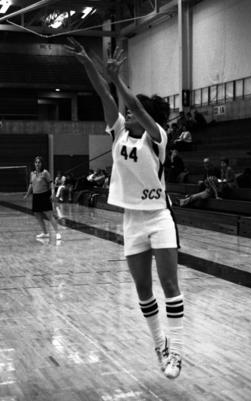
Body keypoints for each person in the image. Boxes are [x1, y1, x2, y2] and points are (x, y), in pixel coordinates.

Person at [65, 37, 184, 379]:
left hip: (160, 218)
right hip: (132, 220)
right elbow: (104, 95)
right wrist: (88, 61)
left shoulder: (157, 137)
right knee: (144, 291)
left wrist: (118, 78)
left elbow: (137, 106)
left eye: (132, 112)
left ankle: (176, 351)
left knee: (170, 286)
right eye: (127, 112)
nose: (127, 114)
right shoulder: (118, 133)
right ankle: (159, 345)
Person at [24, 156, 61, 240]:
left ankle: (58, 233)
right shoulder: (32, 173)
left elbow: (51, 183)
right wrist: (27, 194)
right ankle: (45, 233)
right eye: (36, 162)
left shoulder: (45, 172)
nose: (37, 164)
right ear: (34, 164)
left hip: (44, 195)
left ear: (42, 164)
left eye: (39, 162)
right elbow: (31, 184)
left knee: (49, 215)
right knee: (37, 215)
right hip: (36, 196)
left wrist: (52, 193)